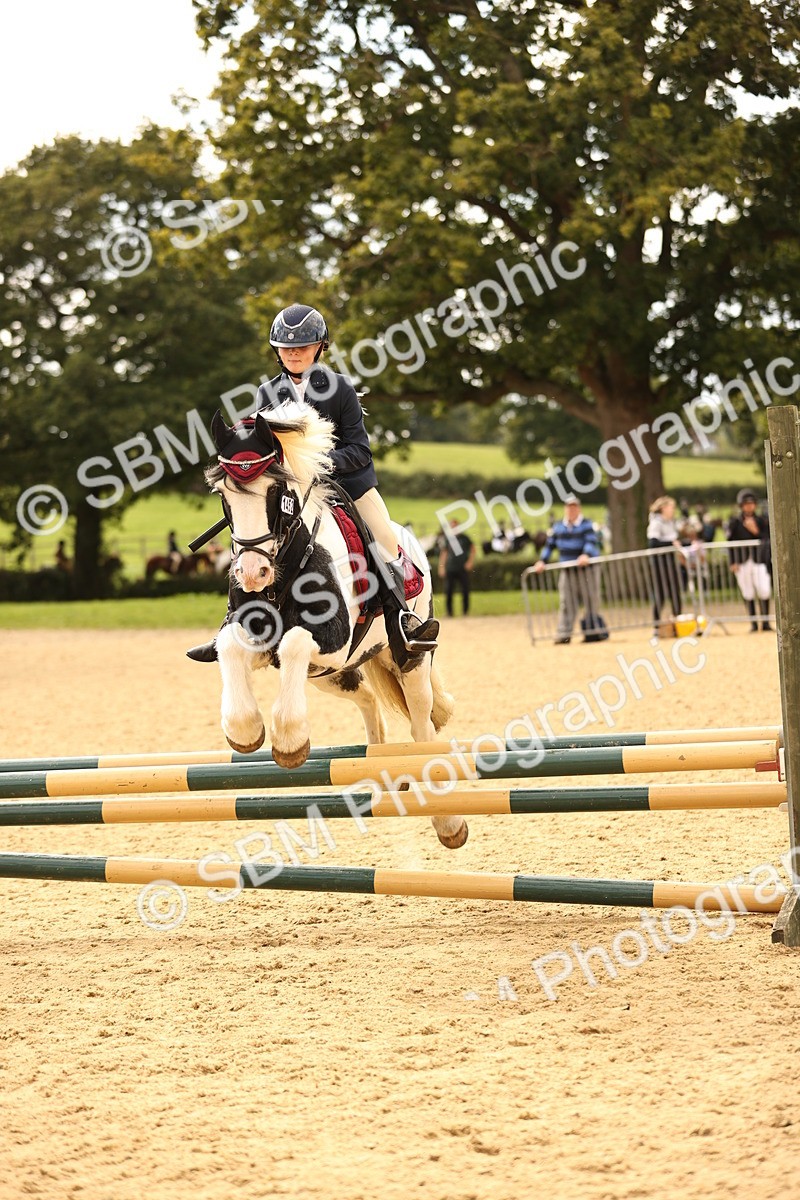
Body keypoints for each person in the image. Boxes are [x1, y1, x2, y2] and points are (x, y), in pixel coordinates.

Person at [187, 303, 438, 667]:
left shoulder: (340, 389)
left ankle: (404, 623)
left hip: (347, 486)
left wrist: (317, 466)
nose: (293, 353)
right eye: (286, 347)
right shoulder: (267, 394)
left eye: (302, 346)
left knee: (385, 540)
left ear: (319, 347)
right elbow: (264, 449)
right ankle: (232, 622)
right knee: (252, 542)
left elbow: (360, 451)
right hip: (292, 490)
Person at [531, 496, 604, 644]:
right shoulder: (558, 527)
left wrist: (585, 554)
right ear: (565, 509)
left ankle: (592, 632)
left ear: (579, 508)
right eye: (569, 507)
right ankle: (564, 634)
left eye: (574, 507)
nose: (571, 510)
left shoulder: (587, 524)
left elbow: (591, 541)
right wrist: (542, 561)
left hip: (586, 569)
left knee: (591, 600)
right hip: (567, 568)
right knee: (566, 602)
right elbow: (550, 546)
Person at [727, 488, 772, 632]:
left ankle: (765, 623)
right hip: (742, 561)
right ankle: (753, 623)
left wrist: (755, 531)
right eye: (746, 504)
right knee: (748, 592)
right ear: (741, 505)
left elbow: (767, 538)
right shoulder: (734, 522)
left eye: (751, 503)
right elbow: (730, 542)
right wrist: (732, 562)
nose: (749, 506)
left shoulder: (762, 520)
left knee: (764, 589)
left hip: (759, 560)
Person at [647, 496, 685, 635]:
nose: (673, 510)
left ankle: (678, 623)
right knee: (660, 595)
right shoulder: (656, 523)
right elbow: (653, 543)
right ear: (663, 508)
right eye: (671, 507)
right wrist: (671, 544)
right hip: (660, 564)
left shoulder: (670, 522)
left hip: (670, 562)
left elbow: (674, 540)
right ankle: (656, 627)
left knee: (675, 592)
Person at [438, 520, 475, 617]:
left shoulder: (465, 538)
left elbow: (473, 549)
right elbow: (444, 553)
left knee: (465, 590)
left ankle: (465, 612)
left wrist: (470, 562)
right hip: (450, 568)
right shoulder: (448, 539)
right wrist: (441, 567)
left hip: (462, 568)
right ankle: (449, 612)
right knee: (449, 591)